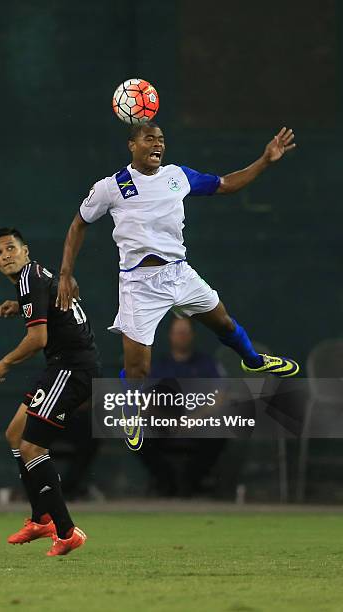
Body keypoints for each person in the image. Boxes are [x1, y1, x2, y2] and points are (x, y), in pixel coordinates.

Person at [56, 121, 299, 451]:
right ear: (132, 145)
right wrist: (65, 273)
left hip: (180, 274)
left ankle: (253, 361)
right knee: (138, 369)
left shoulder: (177, 176)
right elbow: (78, 225)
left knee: (224, 322)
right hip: (139, 284)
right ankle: (131, 406)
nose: (157, 144)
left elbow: (226, 184)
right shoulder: (112, 186)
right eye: (149, 139)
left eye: (161, 139)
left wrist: (265, 159)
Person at [0, 227, 101, 556]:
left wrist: (5, 362)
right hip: (64, 366)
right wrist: (20, 304)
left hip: (72, 368)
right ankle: (40, 518)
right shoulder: (34, 277)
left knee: (32, 446)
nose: (5, 255)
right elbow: (51, 301)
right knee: (15, 434)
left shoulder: (29, 278)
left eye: (10, 248)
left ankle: (66, 531)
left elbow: (37, 340)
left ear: (25, 251)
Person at [142, 316, 227, 497]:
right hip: (164, 427)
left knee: (220, 431)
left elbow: (220, 397)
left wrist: (193, 420)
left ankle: (191, 483)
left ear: (192, 336)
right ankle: (167, 482)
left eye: (185, 332)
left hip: (200, 425)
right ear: (170, 336)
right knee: (137, 435)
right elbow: (145, 401)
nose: (181, 337)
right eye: (178, 333)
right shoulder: (158, 367)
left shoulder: (208, 365)